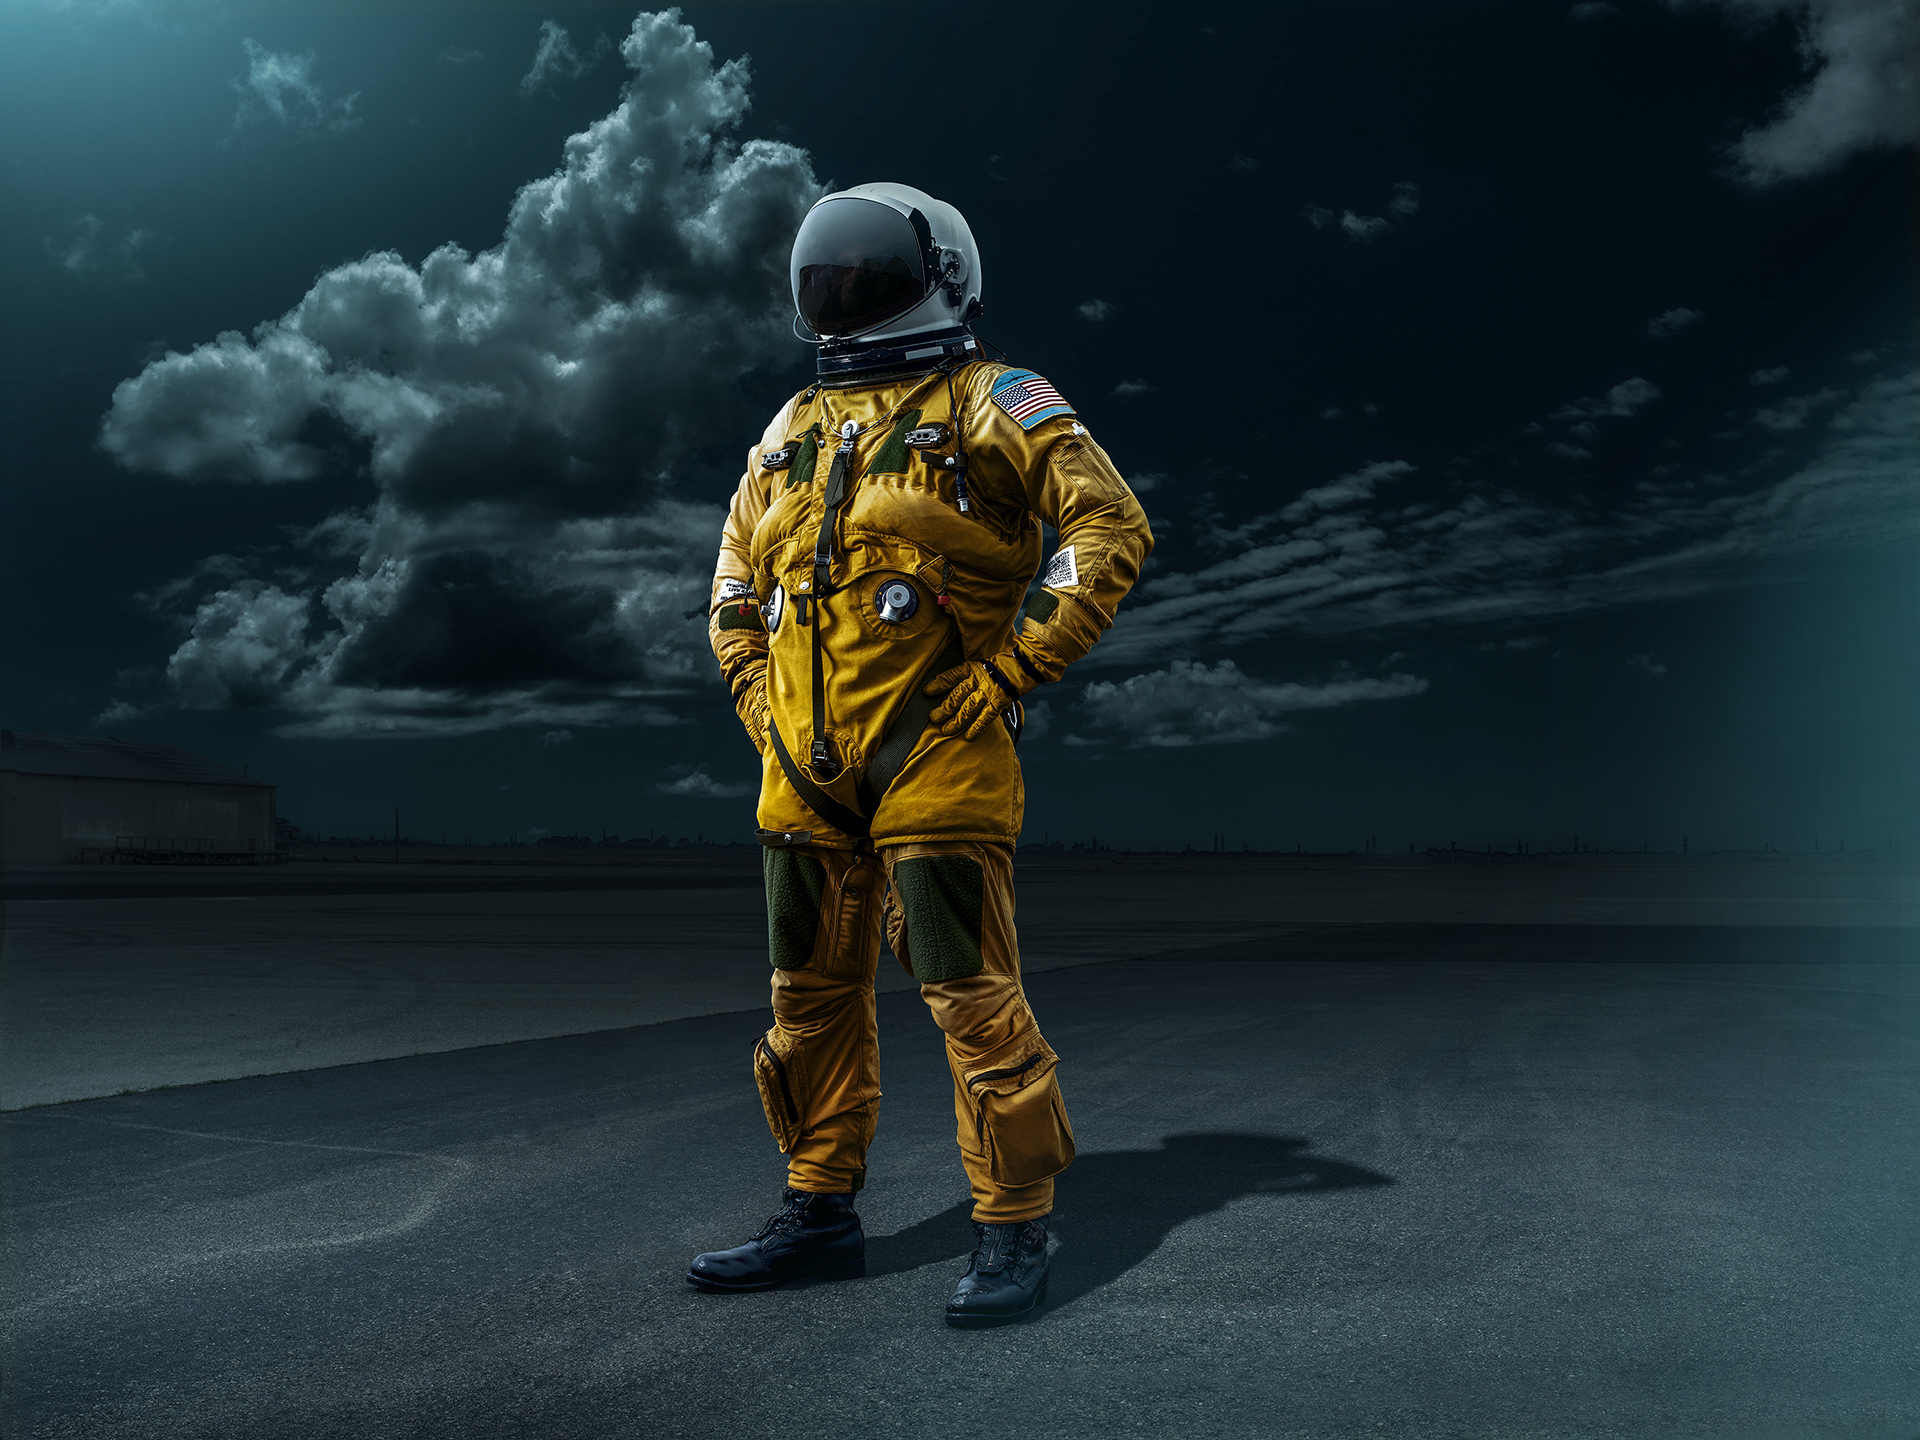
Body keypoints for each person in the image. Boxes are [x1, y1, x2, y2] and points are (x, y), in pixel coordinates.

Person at [687, 182, 1152, 1326]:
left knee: (969, 999)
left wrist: (1009, 672)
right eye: (825, 272)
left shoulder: (997, 402)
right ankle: (818, 1207)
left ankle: (1012, 1225)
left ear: (944, 275)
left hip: (940, 762)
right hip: (799, 771)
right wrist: (755, 693)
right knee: (807, 1003)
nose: (841, 291)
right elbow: (733, 580)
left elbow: (1110, 528)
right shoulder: (788, 431)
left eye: (864, 271)